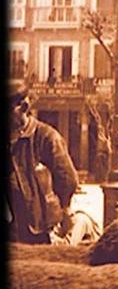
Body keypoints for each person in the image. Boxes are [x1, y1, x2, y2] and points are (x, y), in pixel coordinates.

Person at [8, 82, 78, 244]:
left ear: (24, 107)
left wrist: (65, 211)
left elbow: (67, 179)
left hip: (37, 228)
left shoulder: (47, 137)